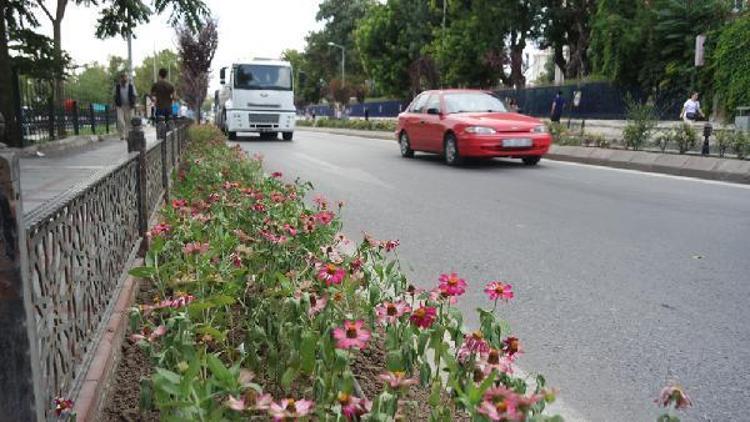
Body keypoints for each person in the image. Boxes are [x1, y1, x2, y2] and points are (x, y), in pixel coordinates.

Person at [113, 73, 137, 140]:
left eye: (125, 78)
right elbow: (114, 96)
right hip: (120, 106)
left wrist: (134, 104)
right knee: (120, 120)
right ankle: (121, 135)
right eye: (123, 78)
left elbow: (135, 95)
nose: (124, 79)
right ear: (120, 79)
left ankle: (127, 135)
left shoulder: (131, 86)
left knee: (128, 121)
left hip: (129, 106)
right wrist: (114, 104)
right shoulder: (117, 87)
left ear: (127, 79)